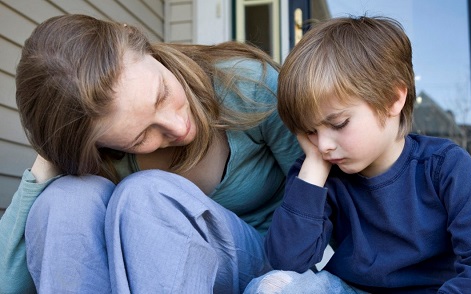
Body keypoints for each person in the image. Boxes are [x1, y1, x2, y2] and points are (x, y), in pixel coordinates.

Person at [0, 14, 302, 293]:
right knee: (65, 197)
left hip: (260, 260)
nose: (180, 127)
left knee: (145, 194)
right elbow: (7, 282)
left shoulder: (247, 87)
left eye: (163, 94)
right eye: (141, 136)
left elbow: (329, 200)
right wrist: (50, 159)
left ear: (140, 42)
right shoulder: (101, 158)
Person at [244, 16, 471, 293]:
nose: (323, 145)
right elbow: (287, 261)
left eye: (338, 124)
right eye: (309, 131)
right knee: (272, 286)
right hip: (350, 288)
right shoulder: (320, 172)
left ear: (392, 99)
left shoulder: (445, 166)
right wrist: (313, 168)